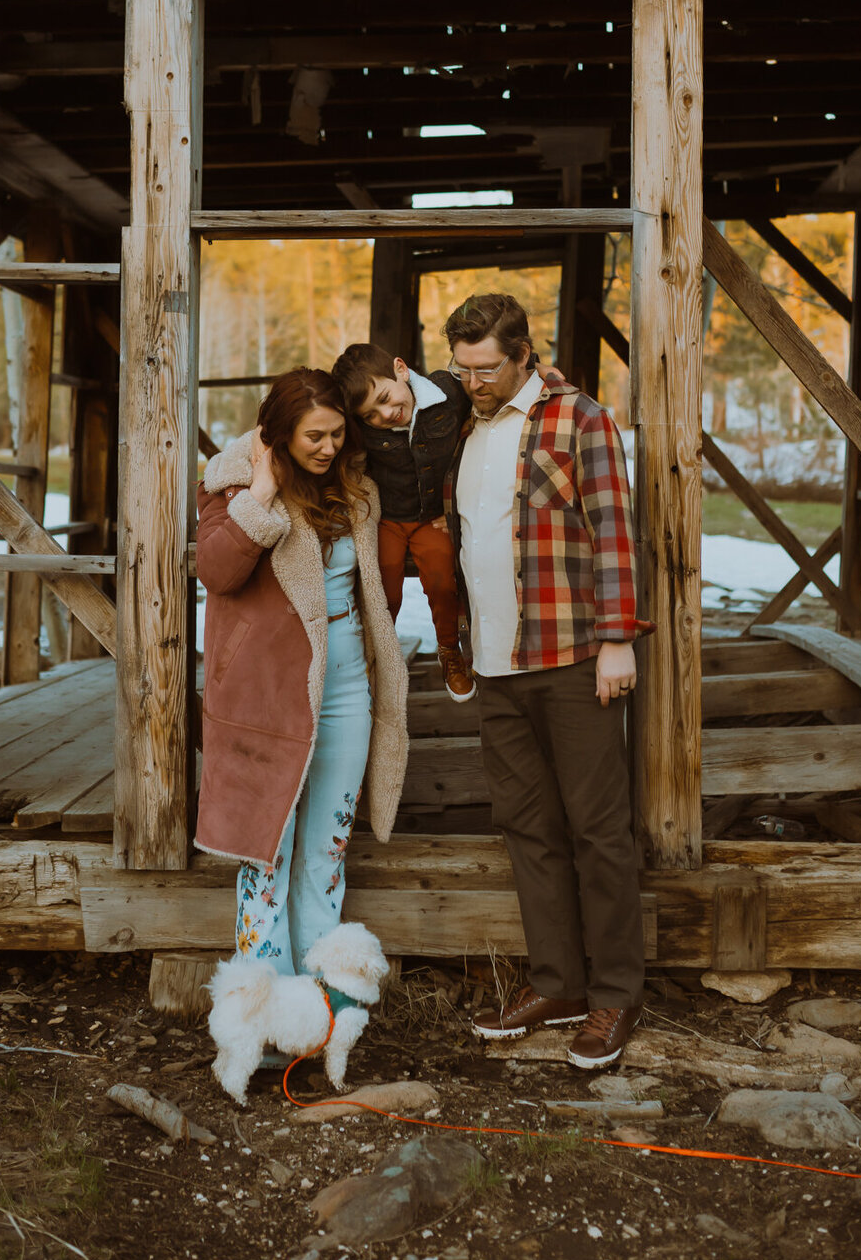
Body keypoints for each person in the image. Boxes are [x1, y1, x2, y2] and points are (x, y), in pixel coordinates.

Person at [442, 293, 655, 1070]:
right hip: (497, 665)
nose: (474, 381)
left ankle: (615, 994)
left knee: (599, 830)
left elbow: (614, 532)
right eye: (463, 369)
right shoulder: (466, 427)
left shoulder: (581, 419)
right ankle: (558, 983)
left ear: (524, 353)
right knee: (528, 828)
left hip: (572, 659)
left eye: (487, 368)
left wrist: (617, 642)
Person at [194, 368, 408, 989]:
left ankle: (322, 1004)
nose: (328, 447)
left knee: (327, 854)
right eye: (314, 436)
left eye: (338, 433)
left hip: (346, 691)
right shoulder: (232, 486)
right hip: (268, 697)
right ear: (278, 435)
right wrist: (259, 494)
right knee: (267, 855)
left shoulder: (357, 491)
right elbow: (216, 572)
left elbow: (421, 423)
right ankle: (264, 1010)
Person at [333, 341, 475, 703]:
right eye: (370, 415)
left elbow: (491, 383)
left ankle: (449, 651)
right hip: (389, 520)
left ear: (400, 370)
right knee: (383, 584)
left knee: (443, 580)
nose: (384, 414)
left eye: (384, 397)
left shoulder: (446, 393)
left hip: (433, 518)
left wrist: (539, 369)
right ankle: (375, 657)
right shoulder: (361, 430)